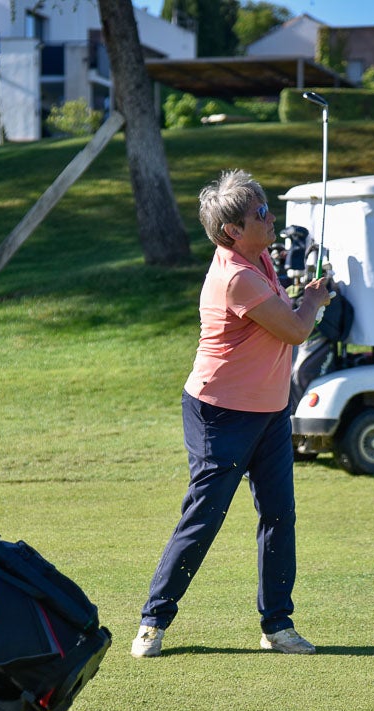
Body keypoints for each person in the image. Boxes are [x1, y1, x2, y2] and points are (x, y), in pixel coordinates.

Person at [131, 169, 331, 658]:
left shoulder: (259, 257)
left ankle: (277, 625)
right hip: (220, 413)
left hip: (267, 412)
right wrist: (312, 302)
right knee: (205, 516)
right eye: (260, 214)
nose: (270, 218)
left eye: (267, 207)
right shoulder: (237, 276)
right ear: (231, 232)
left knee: (279, 514)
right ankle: (153, 622)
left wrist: (299, 294)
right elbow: (294, 331)